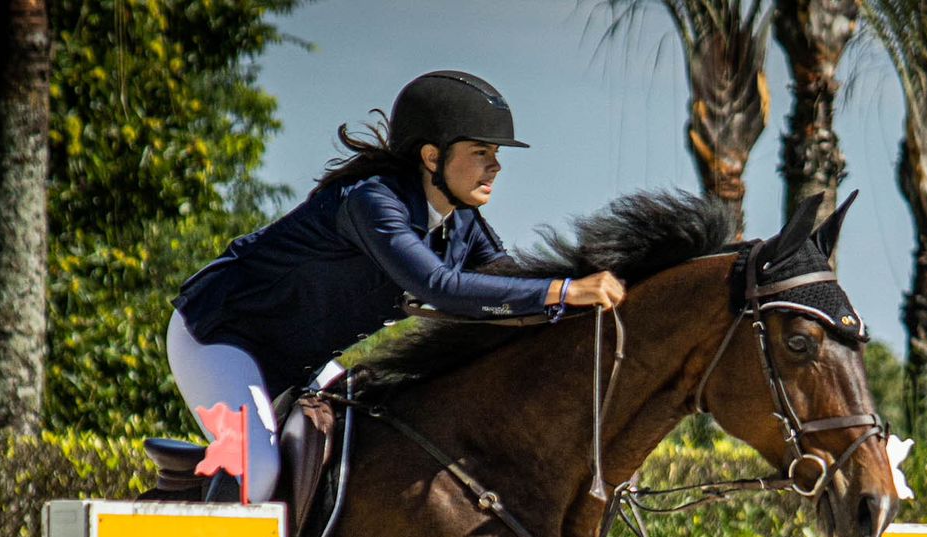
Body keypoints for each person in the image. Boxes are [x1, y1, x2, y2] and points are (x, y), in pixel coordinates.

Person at [166, 70, 625, 500]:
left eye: (496, 155)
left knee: (363, 450)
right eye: (481, 152)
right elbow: (439, 287)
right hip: (218, 335)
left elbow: (506, 286)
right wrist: (565, 290)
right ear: (432, 157)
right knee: (257, 470)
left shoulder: (462, 224)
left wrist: (584, 306)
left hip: (299, 363)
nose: (496, 167)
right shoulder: (373, 201)